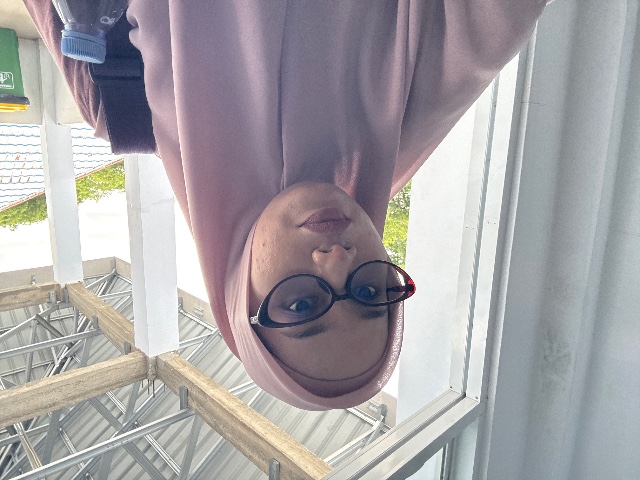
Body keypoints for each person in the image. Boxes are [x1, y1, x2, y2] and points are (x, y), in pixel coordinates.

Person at [24, 0, 549, 410]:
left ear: (238, 300)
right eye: (370, 292)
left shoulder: (118, 96)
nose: (339, 260)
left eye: (301, 306)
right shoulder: (406, 112)